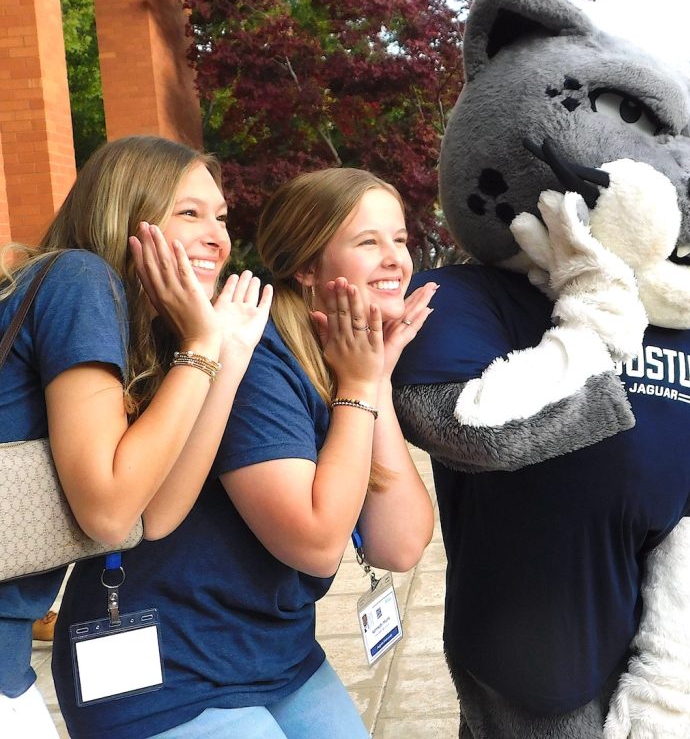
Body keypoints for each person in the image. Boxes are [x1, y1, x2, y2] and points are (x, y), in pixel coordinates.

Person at [53, 167, 436, 738]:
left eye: (400, 240)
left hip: (275, 654)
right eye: (367, 242)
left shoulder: (338, 353)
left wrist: (374, 380)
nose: (395, 260)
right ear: (306, 267)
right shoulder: (257, 355)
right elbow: (315, 541)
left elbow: (400, 544)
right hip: (168, 668)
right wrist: (358, 389)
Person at [0, 135, 271, 738]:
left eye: (221, 217)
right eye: (189, 213)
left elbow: (153, 516)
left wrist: (223, 356)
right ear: (127, 216)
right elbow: (108, 507)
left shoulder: (125, 323)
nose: (217, 237)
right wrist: (202, 348)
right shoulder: (80, 279)